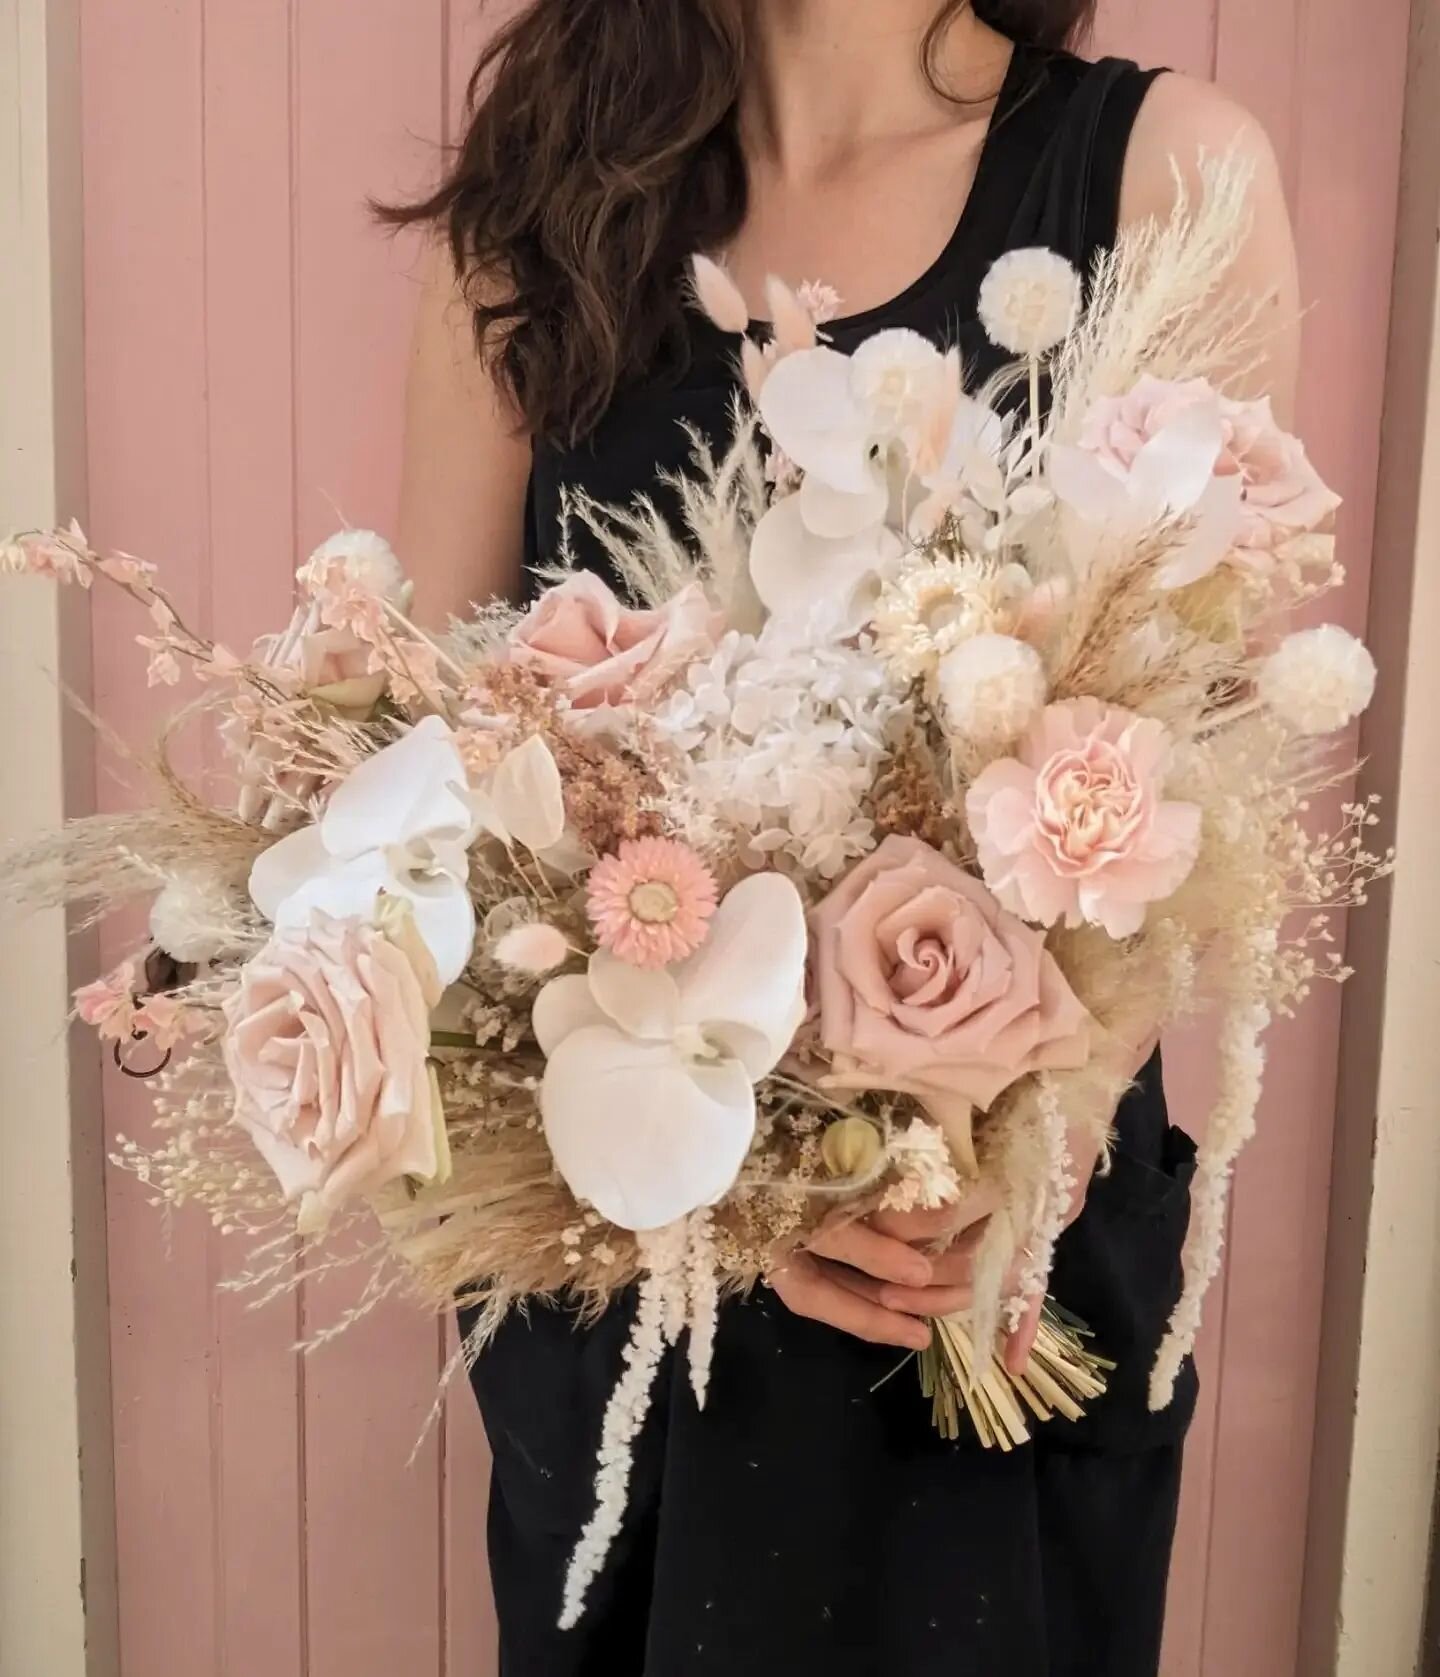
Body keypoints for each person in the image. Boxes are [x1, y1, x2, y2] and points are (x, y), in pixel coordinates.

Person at [389, 3, 1300, 1673]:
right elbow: (431, 794)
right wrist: (742, 1190)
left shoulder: (1165, 181)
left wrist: (948, 1146)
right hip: (628, 1278)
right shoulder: (539, 212)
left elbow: (1189, 806)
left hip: (977, 1271)